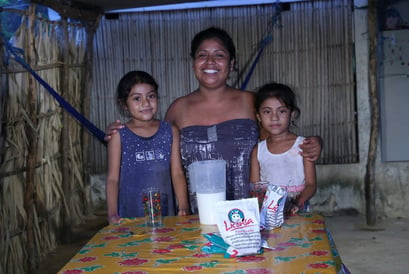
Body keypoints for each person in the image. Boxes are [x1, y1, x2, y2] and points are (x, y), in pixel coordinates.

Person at [105, 27, 322, 214]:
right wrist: (123, 132)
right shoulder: (178, 109)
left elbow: (278, 142)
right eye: (202, 55)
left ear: (232, 62)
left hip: (250, 214)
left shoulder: (251, 102)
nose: (210, 62)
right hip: (195, 217)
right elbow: (154, 141)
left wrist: (314, 142)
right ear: (193, 63)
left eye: (219, 55)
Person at [105, 70, 189, 224]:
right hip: (129, 216)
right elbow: (112, 179)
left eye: (151, 96)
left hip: (165, 215)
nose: (145, 103)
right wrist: (112, 213)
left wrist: (183, 206)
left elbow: (177, 172)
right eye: (137, 98)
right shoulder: (119, 135)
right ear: (124, 104)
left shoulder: (170, 131)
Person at [250, 82, 317, 214]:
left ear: (292, 115)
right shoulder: (258, 150)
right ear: (258, 117)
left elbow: (311, 184)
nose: (274, 117)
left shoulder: (303, 145)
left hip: (298, 210)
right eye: (267, 111)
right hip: (269, 213)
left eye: (281, 111)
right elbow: (255, 188)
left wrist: (297, 203)